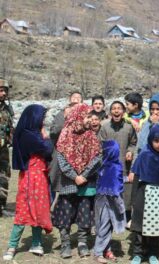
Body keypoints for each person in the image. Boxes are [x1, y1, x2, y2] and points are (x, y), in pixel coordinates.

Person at [52, 103, 103, 259]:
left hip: (86, 183)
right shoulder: (65, 134)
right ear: (78, 116)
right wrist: (75, 176)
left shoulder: (91, 136)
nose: (89, 120)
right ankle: (65, 243)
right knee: (65, 213)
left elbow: (97, 157)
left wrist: (84, 175)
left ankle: (82, 242)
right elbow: (61, 158)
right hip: (68, 182)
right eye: (87, 116)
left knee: (85, 212)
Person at [3, 105, 53, 260]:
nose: (43, 121)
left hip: (39, 177)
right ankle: (12, 246)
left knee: (38, 208)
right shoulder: (28, 135)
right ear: (34, 117)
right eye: (41, 117)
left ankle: (36, 243)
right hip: (31, 177)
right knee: (24, 210)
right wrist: (46, 138)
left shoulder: (32, 133)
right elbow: (47, 149)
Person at [130, 124, 159, 264]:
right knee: (139, 226)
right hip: (144, 193)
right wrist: (133, 199)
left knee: (156, 227)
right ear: (150, 140)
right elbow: (137, 176)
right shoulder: (144, 154)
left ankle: (153, 253)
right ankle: (138, 253)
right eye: (156, 141)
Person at [99, 101, 137, 226]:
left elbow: (133, 143)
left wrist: (130, 151)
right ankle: (109, 219)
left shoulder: (128, 127)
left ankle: (125, 219)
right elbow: (100, 146)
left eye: (119, 108)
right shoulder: (104, 127)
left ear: (124, 112)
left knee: (125, 193)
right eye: (114, 109)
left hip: (124, 165)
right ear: (110, 112)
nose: (116, 111)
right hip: (109, 166)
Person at [93, 140, 126, 263]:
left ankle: (107, 249)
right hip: (110, 201)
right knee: (105, 226)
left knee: (105, 225)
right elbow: (115, 187)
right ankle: (98, 252)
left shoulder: (104, 165)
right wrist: (120, 206)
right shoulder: (115, 167)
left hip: (100, 199)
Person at [49, 91, 83, 194]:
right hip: (60, 153)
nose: (76, 99)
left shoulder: (85, 116)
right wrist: (65, 116)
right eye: (74, 97)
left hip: (77, 156)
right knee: (56, 181)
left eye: (79, 98)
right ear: (69, 100)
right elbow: (54, 132)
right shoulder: (61, 114)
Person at [0, 79, 13, 217]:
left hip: (3, 150)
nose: (3, 93)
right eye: (1, 90)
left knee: (3, 177)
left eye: (5, 91)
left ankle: (1, 206)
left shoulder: (7, 108)